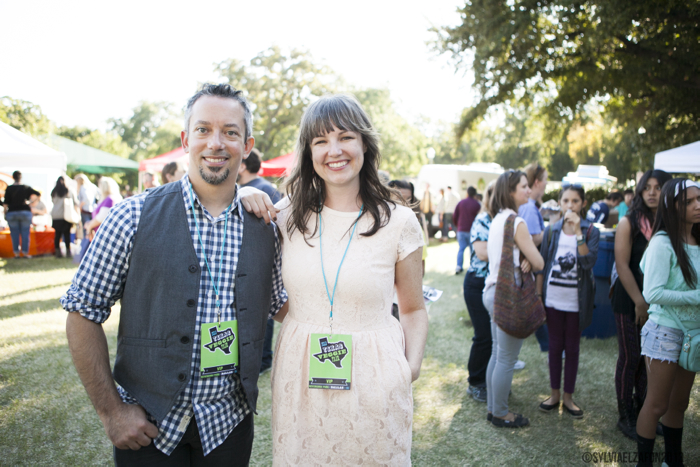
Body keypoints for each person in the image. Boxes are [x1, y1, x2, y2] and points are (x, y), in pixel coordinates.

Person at [61, 83, 287, 466]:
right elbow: (82, 312)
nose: (216, 143)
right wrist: (112, 412)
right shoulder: (131, 216)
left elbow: (284, 307)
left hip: (228, 426)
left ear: (246, 146)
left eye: (230, 132)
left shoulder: (266, 227)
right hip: (148, 428)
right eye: (203, 130)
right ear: (186, 139)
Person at [240, 94, 428, 464]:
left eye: (345, 137)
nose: (334, 150)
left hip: (376, 377)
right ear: (309, 152)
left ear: (364, 144)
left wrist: (410, 368)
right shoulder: (284, 217)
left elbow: (413, 309)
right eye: (321, 141)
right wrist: (243, 192)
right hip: (300, 376)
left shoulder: (399, 222)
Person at [635, 179, 700, 467]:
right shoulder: (662, 242)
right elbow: (653, 293)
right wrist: (696, 297)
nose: (698, 205)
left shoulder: (697, 240)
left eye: (699, 199)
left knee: (679, 404)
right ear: (672, 207)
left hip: (693, 336)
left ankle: (674, 462)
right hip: (665, 332)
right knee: (657, 404)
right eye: (688, 201)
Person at [611, 169, 672, 439]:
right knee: (631, 358)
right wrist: (639, 302)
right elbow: (622, 265)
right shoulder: (629, 222)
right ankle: (625, 417)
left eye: (658, 187)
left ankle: (641, 413)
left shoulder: (670, 223)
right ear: (639, 190)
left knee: (649, 362)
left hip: (657, 305)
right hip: (630, 300)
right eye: (647, 186)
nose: (651, 192)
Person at [482, 170, 544, 428]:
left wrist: (524, 258)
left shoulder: (497, 219)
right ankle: (500, 413)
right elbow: (539, 262)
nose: (528, 190)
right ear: (510, 191)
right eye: (523, 186)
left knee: (498, 354)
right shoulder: (517, 222)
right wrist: (529, 258)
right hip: (508, 294)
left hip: (491, 290)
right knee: (506, 358)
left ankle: (492, 407)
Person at [536, 183, 599, 419]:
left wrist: (579, 234)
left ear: (582, 204)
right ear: (560, 203)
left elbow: (587, 262)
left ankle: (568, 398)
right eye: (565, 201)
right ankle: (554, 394)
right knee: (554, 347)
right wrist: (539, 295)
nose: (570, 205)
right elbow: (542, 265)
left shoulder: (591, 232)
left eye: (575, 201)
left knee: (572, 349)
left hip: (576, 302)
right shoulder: (552, 231)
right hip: (553, 299)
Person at [238, 147, 282, 375]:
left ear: (243, 165)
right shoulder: (262, 189)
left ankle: (264, 358)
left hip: (261, 264)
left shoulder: (263, 190)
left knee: (263, 311)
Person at [463, 181, 495, 403]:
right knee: (484, 335)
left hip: (496, 284)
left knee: (495, 337)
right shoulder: (483, 220)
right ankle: (475, 383)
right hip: (477, 283)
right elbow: (482, 253)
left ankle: (491, 380)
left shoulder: (505, 220)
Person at [520, 162, 550, 354]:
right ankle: (548, 346)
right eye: (546, 180)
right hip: (529, 269)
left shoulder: (530, 207)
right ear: (538, 182)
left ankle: (547, 344)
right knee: (534, 309)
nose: (547, 184)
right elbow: (530, 240)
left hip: (528, 268)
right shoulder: (529, 208)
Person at [2, 171, 40, 258]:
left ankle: (16, 253)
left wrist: (5, 213)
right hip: (25, 212)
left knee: (14, 234)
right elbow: (38, 194)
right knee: (25, 233)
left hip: (12, 212)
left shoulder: (9, 188)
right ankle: (25, 253)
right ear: (21, 177)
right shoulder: (25, 187)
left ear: (13, 177)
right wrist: (30, 202)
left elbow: (5, 203)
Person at [453, 186, 481, 274]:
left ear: (467, 193)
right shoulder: (477, 204)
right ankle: (472, 266)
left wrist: (458, 225)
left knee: (461, 248)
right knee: (472, 250)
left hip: (461, 229)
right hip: (472, 230)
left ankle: (458, 266)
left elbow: (454, 216)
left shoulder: (461, 202)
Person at [51, 176, 79, 258]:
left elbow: (53, 202)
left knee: (57, 234)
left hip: (56, 215)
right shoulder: (69, 191)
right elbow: (75, 203)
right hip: (66, 215)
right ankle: (68, 252)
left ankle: (57, 252)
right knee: (66, 234)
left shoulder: (54, 192)